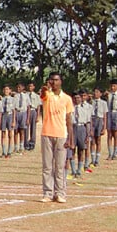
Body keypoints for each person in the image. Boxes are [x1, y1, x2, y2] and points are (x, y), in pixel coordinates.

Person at [39, 72, 74, 203]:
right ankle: (47, 193)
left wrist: (70, 138)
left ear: (61, 81)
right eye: (51, 80)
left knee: (60, 166)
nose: (54, 82)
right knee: (47, 166)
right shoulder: (47, 95)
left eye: (56, 80)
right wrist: (45, 88)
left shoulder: (67, 99)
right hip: (47, 133)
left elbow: (69, 119)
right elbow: (42, 94)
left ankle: (60, 193)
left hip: (61, 135)